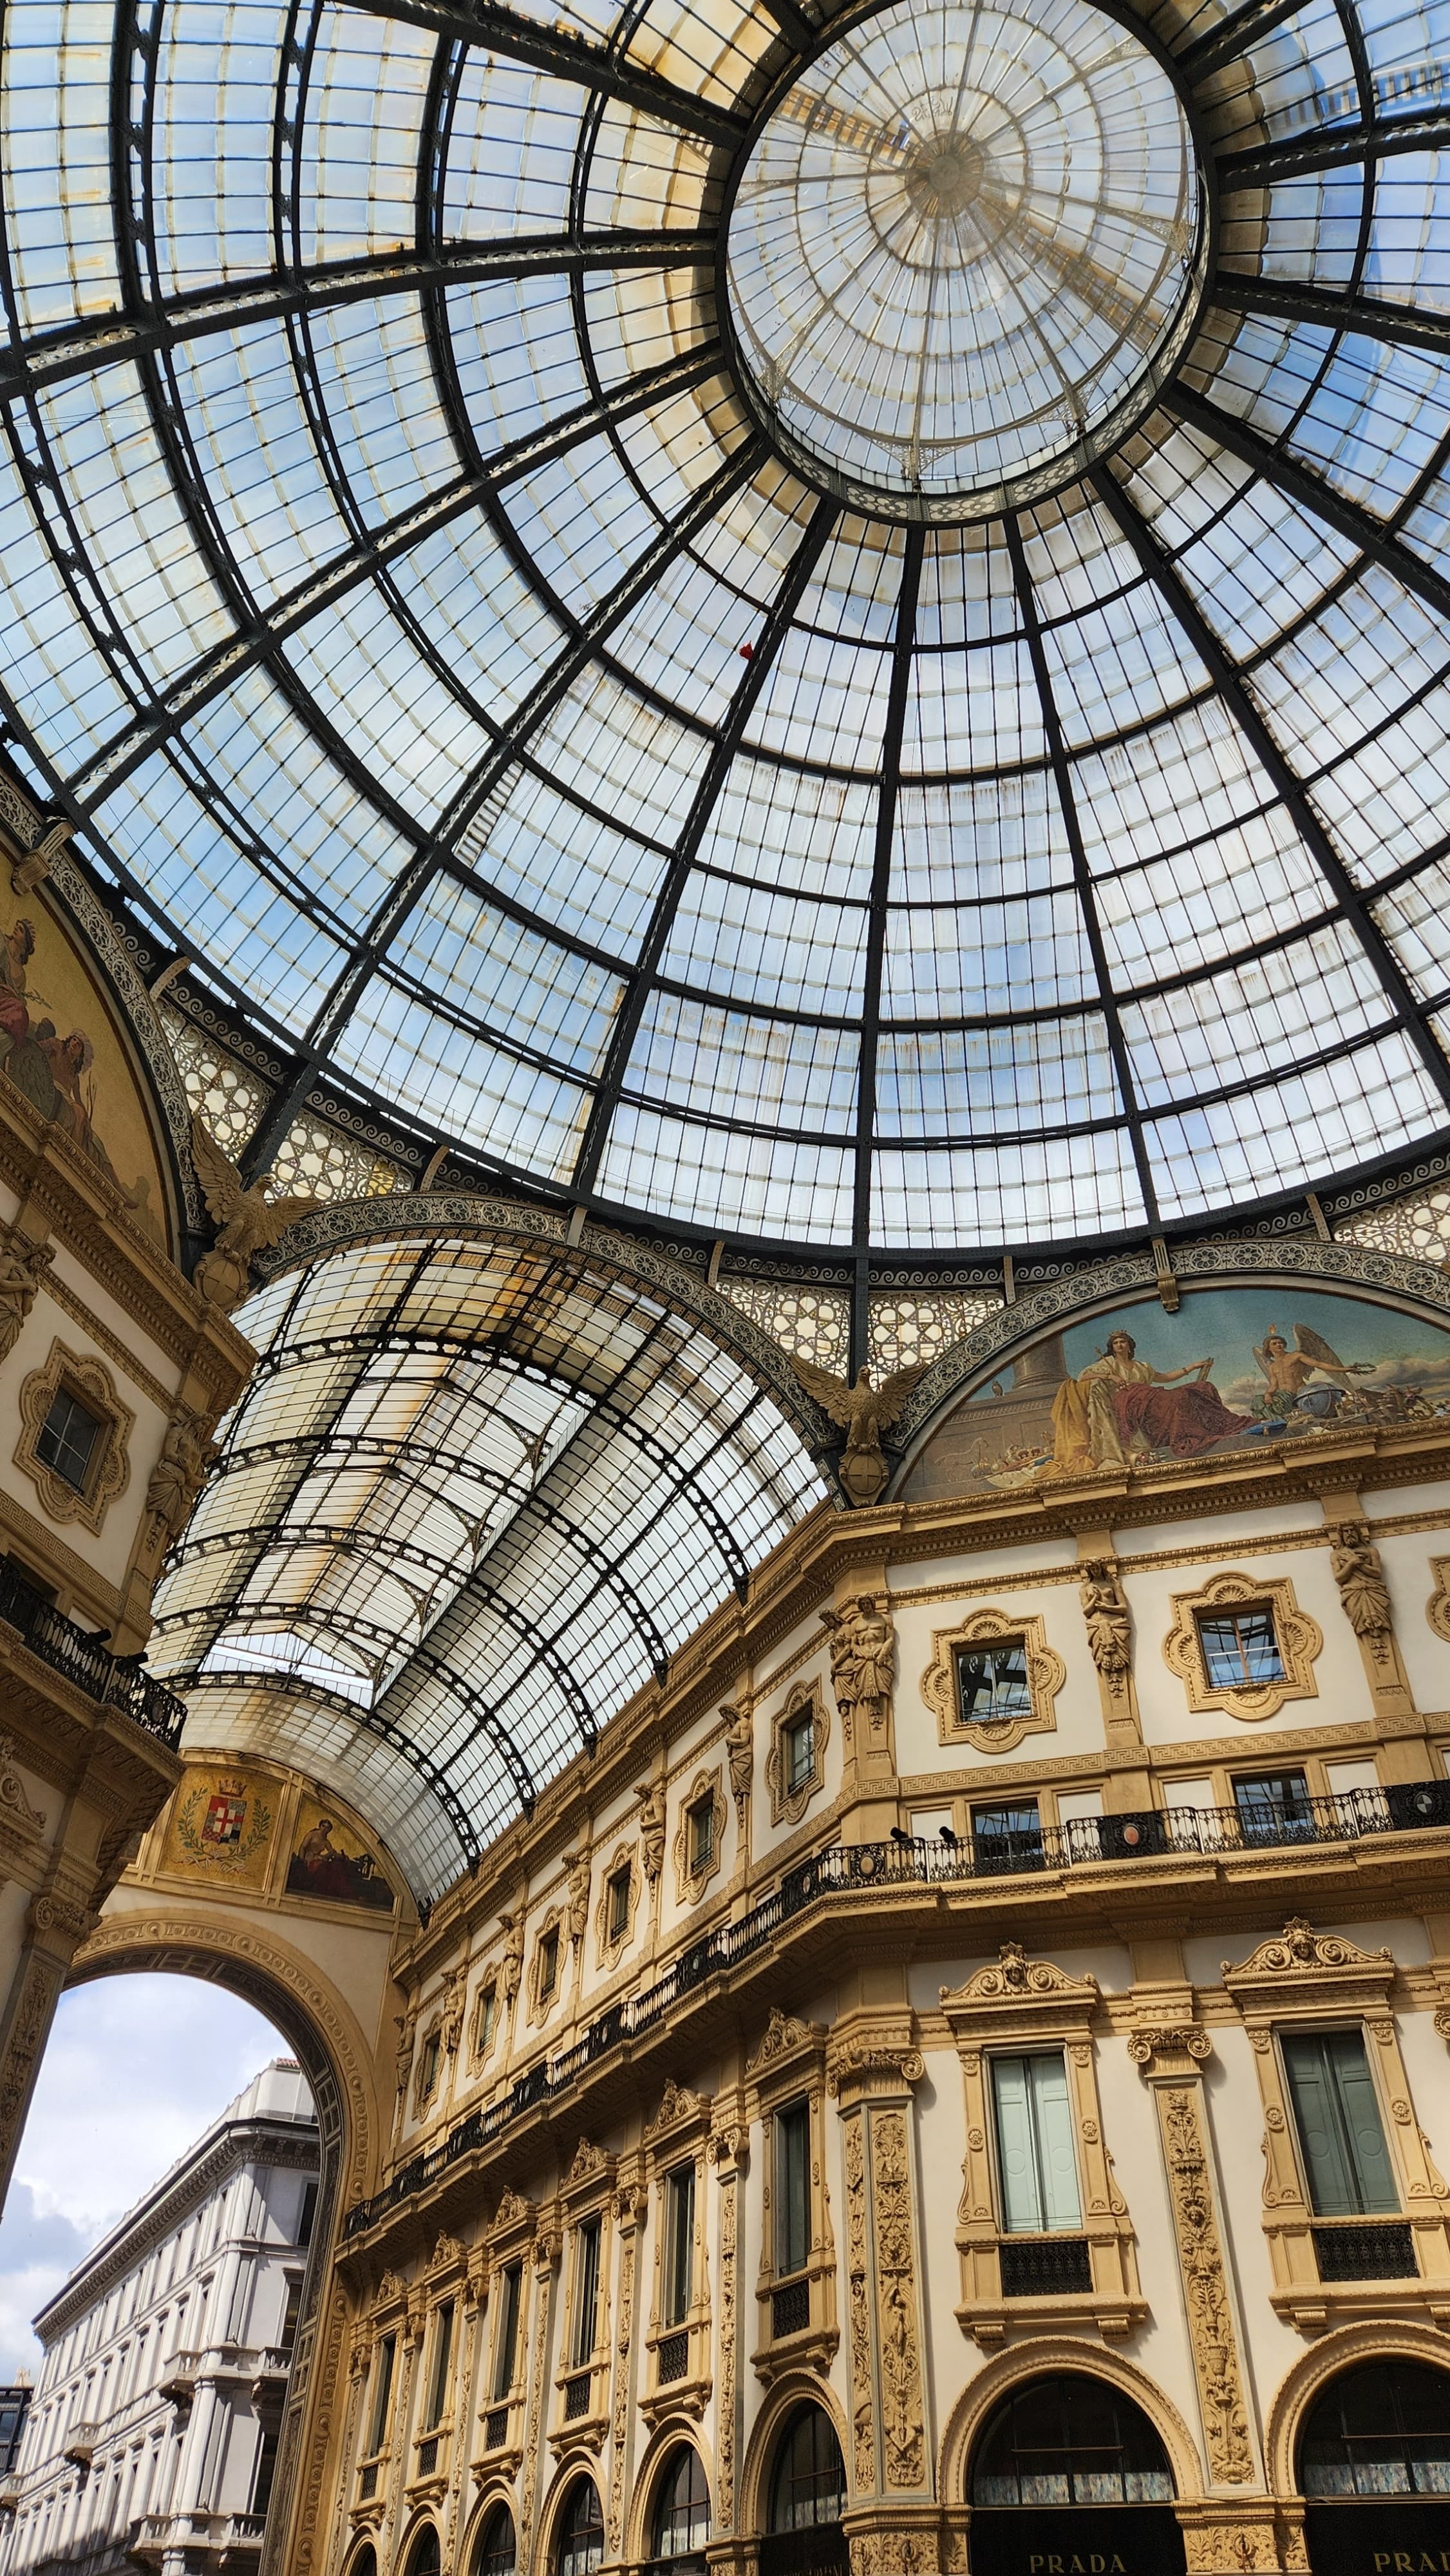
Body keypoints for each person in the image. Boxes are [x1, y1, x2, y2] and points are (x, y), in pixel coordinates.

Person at [1051, 1329, 1251, 1473]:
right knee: (1171, 1399)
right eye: (1116, 1343)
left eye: (1123, 1342)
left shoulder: (1142, 1367)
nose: (1120, 1345)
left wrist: (1190, 1368)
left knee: (1196, 1390)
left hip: (1149, 1397)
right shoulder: (1108, 1364)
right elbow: (1083, 1378)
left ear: (1130, 1345)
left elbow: (1165, 1378)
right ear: (1111, 1348)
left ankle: (1203, 1428)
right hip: (1128, 1402)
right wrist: (1110, 1377)